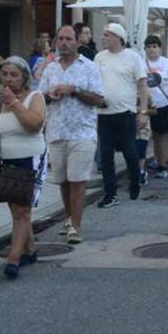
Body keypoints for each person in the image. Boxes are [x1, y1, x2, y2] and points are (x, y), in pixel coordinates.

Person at [0, 57, 47, 278]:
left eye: (14, 75)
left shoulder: (34, 98)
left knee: (21, 211)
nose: (8, 79)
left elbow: (34, 124)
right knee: (16, 210)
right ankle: (30, 248)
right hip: (3, 161)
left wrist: (14, 102)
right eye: (5, 74)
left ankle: (13, 259)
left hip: (28, 159)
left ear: (24, 78)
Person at [39, 26, 104, 245]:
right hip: (56, 131)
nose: (64, 43)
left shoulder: (90, 67)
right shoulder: (50, 69)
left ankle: (76, 226)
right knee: (63, 181)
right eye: (61, 39)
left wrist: (73, 90)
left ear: (77, 42)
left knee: (78, 179)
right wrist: (50, 95)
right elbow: (40, 100)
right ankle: (69, 219)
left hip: (82, 131)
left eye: (68, 39)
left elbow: (98, 99)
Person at [94, 24, 149, 208]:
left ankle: (135, 180)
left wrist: (143, 112)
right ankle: (110, 194)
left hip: (126, 112)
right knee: (106, 155)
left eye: (107, 35)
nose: (103, 38)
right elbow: (94, 82)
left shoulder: (133, 57)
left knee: (129, 151)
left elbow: (142, 87)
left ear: (118, 37)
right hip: (104, 113)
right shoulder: (99, 57)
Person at [143, 36, 168, 179]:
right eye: (149, 46)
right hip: (145, 106)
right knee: (143, 137)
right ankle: (140, 167)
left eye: (154, 46)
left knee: (161, 137)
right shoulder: (140, 63)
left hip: (163, 105)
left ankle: (161, 165)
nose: (151, 49)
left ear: (160, 48)